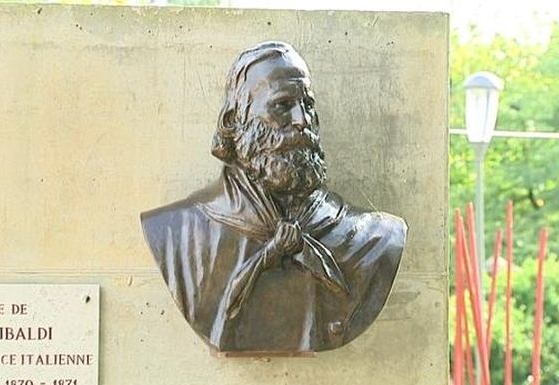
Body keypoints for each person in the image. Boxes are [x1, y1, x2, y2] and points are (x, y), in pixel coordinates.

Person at [140, 41, 407, 353]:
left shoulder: (376, 240)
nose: (302, 121)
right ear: (233, 122)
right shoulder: (174, 235)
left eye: (308, 105)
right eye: (282, 105)